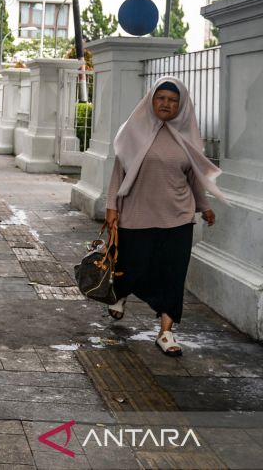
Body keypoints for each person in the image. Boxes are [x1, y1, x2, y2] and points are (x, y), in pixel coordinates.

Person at [105, 76, 225, 357]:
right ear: (151, 100)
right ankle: (121, 292)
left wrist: (204, 206)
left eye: (173, 100)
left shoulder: (187, 137)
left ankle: (166, 331)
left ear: (180, 106)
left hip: (178, 217)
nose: (166, 104)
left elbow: (194, 177)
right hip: (136, 213)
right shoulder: (132, 131)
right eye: (161, 98)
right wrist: (112, 208)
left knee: (173, 273)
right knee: (134, 266)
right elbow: (118, 173)